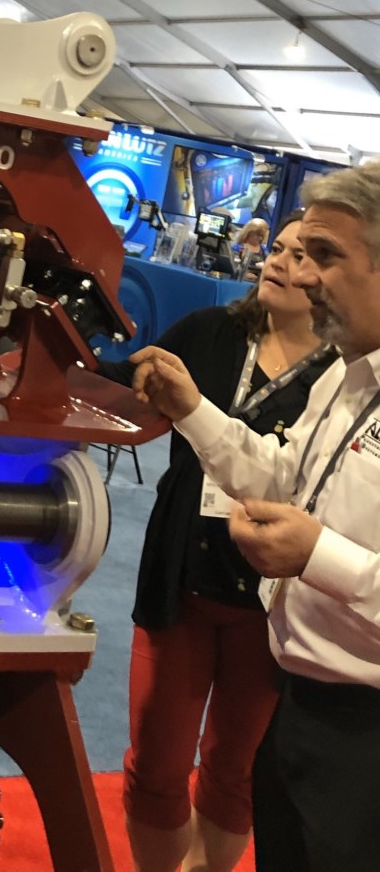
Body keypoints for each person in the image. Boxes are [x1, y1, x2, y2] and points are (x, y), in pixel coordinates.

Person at [129, 163, 380, 872]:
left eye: (325, 255)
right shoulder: (346, 374)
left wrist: (317, 556)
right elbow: (283, 476)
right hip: (299, 704)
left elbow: (316, 535)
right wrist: (193, 411)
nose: (303, 276)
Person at [98, 212, 334, 872]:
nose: (279, 261)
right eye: (276, 249)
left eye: (303, 255)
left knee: (234, 772)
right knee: (156, 764)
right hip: (180, 578)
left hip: (272, 604)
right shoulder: (210, 331)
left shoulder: (344, 380)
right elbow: (120, 383)